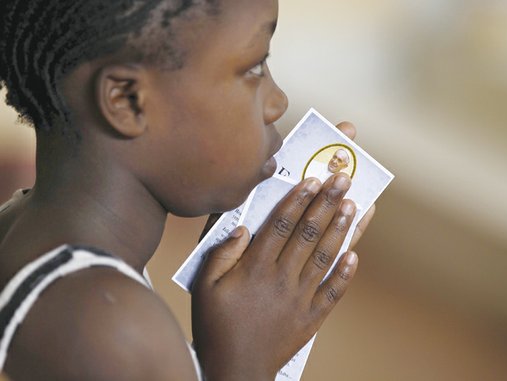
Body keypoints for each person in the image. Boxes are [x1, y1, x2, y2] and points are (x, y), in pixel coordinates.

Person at [0, 1, 375, 380]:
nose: (278, 101)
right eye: (254, 67)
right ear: (127, 101)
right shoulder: (110, 325)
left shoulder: (20, 226)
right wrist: (245, 361)